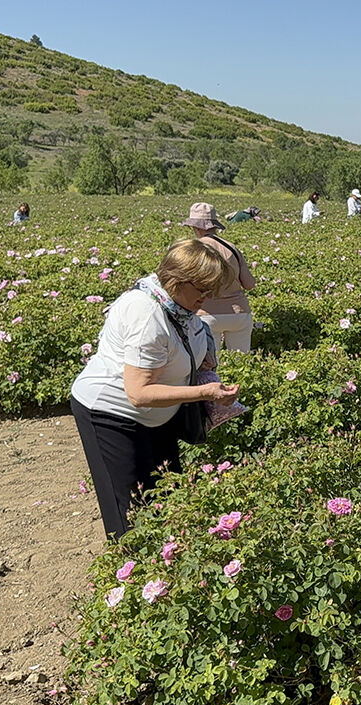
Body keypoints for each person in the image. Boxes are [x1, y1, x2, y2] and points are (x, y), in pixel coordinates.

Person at [70, 239, 239, 539]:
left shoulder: (179, 306)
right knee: (132, 512)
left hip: (158, 415)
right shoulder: (146, 314)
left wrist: (203, 361)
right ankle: (132, 574)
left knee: (168, 497)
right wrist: (205, 393)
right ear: (176, 281)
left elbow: (183, 344)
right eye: (203, 288)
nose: (209, 296)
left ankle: (166, 570)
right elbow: (138, 393)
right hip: (112, 413)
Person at [182, 202, 257, 353]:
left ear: (196, 227)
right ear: (214, 225)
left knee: (210, 368)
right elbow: (249, 284)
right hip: (239, 314)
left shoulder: (193, 249)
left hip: (207, 316)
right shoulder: (232, 248)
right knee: (241, 364)